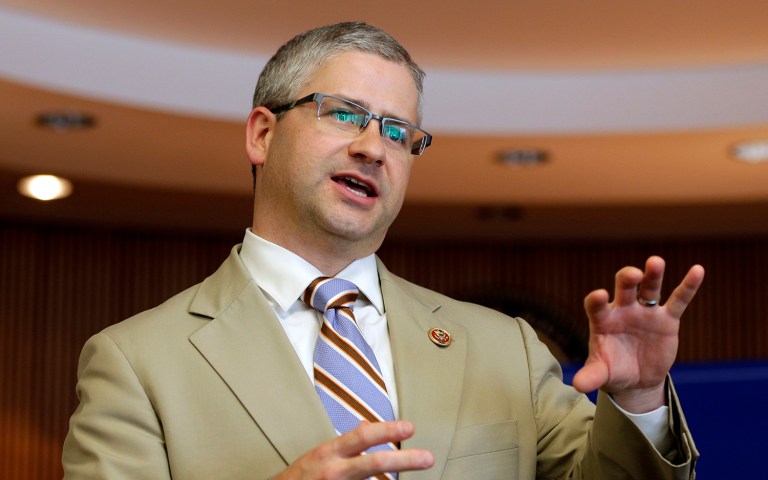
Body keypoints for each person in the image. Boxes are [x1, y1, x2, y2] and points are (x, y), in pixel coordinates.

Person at [62, 22, 705, 479]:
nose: (373, 147)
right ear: (262, 133)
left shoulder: (503, 348)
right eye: (344, 114)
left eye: (399, 132)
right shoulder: (136, 362)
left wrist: (640, 401)